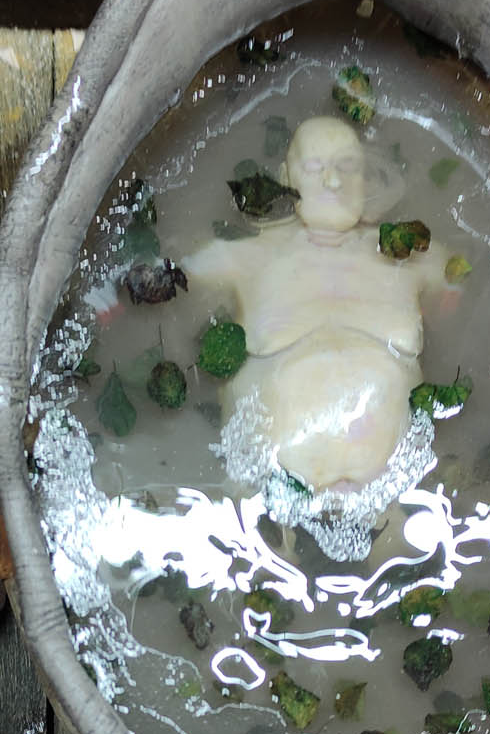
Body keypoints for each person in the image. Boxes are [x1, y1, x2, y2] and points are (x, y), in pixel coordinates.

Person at [182, 115, 452, 492]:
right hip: (267, 493)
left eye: (348, 167)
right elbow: (166, 282)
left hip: (400, 489)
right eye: (315, 167)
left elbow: (462, 297)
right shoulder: (245, 258)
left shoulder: (415, 256)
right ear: (286, 178)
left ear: (367, 181)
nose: (333, 181)